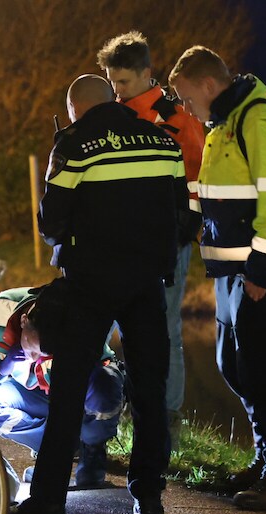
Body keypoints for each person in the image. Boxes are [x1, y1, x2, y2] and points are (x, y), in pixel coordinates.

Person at [10, 75, 185, 514]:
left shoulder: (75, 143)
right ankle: (150, 500)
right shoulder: (162, 140)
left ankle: (48, 502)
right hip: (148, 280)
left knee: (68, 388)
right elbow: (183, 214)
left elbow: (51, 220)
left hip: (91, 281)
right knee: (150, 389)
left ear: (74, 108)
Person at [169, 47, 266, 510]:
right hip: (234, 268)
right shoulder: (222, 125)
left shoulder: (258, 120)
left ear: (209, 85)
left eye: (187, 97)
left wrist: (263, 270)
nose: (185, 108)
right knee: (233, 363)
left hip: (263, 267)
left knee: (261, 368)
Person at [98, 32, 206, 430]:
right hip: (120, 241)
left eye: (123, 82)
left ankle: (168, 417)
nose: (117, 90)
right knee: (109, 324)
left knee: (166, 327)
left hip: (165, 241)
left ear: (147, 74)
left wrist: (181, 231)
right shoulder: (112, 114)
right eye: (112, 82)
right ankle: (113, 410)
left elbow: (196, 179)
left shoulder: (177, 119)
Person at [0, 287, 125, 488]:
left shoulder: (74, 320)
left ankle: (92, 446)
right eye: (31, 346)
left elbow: (101, 370)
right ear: (24, 321)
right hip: (29, 393)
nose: (35, 358)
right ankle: (56, 448)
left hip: (75, 393)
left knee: (103, 386)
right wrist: (1, 368)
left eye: (45, 352)